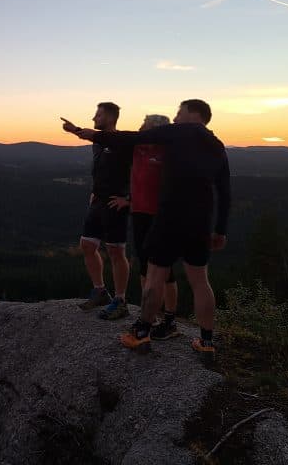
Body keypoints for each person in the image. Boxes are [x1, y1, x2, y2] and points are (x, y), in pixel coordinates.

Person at [64, 99, 230, 357]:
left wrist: (87, 133)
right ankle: (207, 342)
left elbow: (131, 138)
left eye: (179, 112)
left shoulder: (175, 133)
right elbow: (224, 191)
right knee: (200, 281)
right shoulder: (217, 146)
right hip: (201, 221)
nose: (176, 118)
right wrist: (220, 230)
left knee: (154, 275)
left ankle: (141, 333)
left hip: (169, 217)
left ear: (193, 113)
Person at [112, 114, 181, 340]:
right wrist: (129, 199)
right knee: (144, 266)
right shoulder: (138, 148)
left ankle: (169, 319)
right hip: (139, 213)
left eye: (144, 126)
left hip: (162, 216)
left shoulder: (169, 152)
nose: (140, 129)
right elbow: (114, 139)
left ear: (155, 130)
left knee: (165, 270)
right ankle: (149, 315)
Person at [63, 102, 132, 320]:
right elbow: (89, 137)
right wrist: (74, 130)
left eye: (98, 115)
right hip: (98, 201)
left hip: (115, 203)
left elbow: (141, 172)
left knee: (115, 251)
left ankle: (120, 301)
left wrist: (128, 199)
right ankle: (100, 291)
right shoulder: (99, 142)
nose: (94, 119)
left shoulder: (123, 142)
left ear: (110, 118)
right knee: (87, 245)